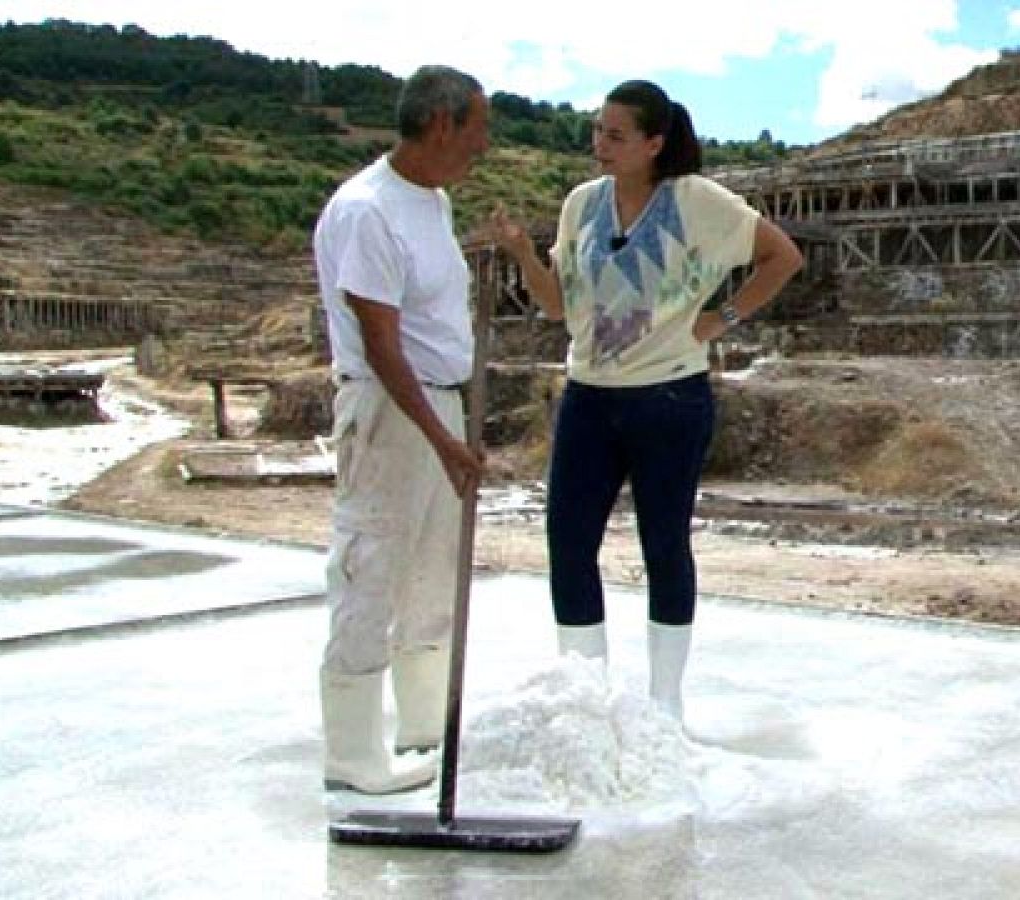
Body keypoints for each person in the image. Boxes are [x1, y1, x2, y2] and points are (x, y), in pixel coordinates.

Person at [488, 79, 803, 722]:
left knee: (663, 544)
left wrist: (725, 317)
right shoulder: (582, 204)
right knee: (569, 545)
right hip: (589, 398)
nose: (599, 144)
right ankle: (586, 696)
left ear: (654, 144)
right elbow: (558, 307)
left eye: (615, 134)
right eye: (596, 130)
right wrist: (523, 254)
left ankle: (666, 704)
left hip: (668, 397)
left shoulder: (697, 202)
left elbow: (782, 256)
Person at [312, 65, 489, 793]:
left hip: (436, 404)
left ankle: (423, 725)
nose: (485, 144)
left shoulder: (433, 202)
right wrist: (443, 439)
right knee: (373, 565)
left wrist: (456, 421)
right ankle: (352, 755)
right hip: (392, 411)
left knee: (430, 572)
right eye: (479, 127)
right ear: (441, 122)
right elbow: (381, 343)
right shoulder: (368, 210)